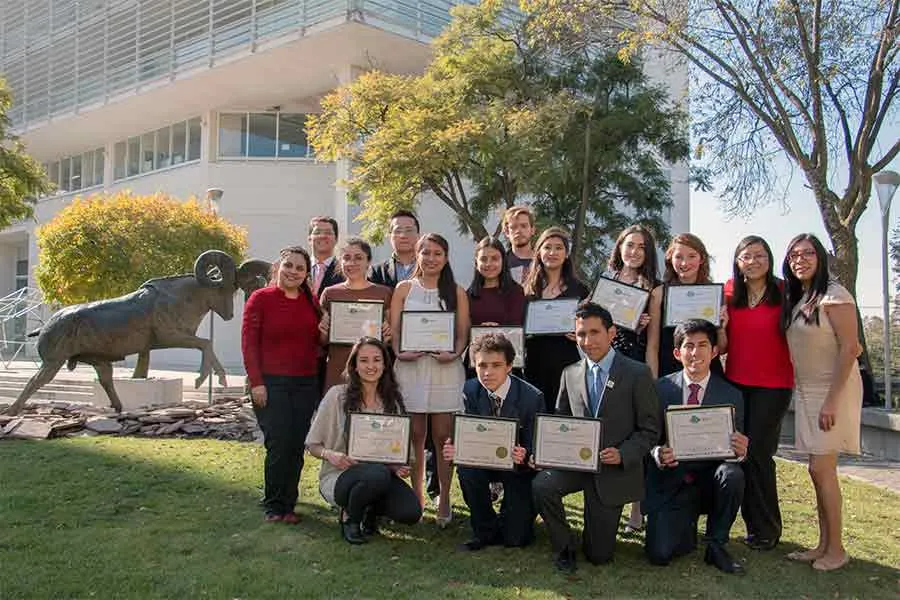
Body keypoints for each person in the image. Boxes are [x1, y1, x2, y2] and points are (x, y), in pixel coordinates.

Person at [532, 302, 659, 573]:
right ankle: (564, 545)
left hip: (612, 470)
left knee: (598, 555)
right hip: (577, 466)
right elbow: (561, 421)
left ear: (611, 333)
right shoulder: (570, 373)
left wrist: (623, 454)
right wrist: (545, 453)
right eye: (581, 334)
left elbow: (650, 430)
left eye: (594, 332)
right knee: (542, 484)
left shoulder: (637, 373)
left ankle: (593, 540)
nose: (587, 341)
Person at [782, 233, 862, 572]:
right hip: (808, 391)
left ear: (821, 258)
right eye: (794, 255)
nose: (800, 260)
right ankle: (823, 544)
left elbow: (851, 348)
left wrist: (831, 401)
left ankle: (837, 549)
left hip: (833, 391)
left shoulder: (835, 295)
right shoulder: (801, 297)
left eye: (808, 254)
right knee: (817, 471)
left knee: (821, 469)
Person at [644, 319, 749, 575]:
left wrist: (741, 451)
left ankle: (716, 544)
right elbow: (647, 438)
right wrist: (658, 453)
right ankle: (684, 528)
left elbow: (736, 447)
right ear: (677, 353)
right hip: (673, 480)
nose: (695, 352)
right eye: (688, 346)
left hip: (711, 481)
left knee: (733, 475)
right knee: (659, 555)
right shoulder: (659, 389)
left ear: (714, 351)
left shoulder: (731, 395)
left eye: (702, 345)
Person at [306, 338, 422, 544]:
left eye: (377, 360)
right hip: (341, 475)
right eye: (364, 360)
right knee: (377, 473)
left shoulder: (392, 402)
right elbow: (312, 445)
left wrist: (396, 466)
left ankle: (369, 513)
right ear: (354, 366)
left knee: (410, 511)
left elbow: (399, 452)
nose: (371, 366)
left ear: (385, 365)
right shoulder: (336, 396)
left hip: (380, 475)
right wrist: (331, 455)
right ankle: (350, 519)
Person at [390, 233, 469, 526]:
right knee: (415, 434)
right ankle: (417, 497)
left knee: (443, 436)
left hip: (445, 370)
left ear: (446, 258)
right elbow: (395, 331)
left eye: (438, 253)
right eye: (426, 252)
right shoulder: (403, 289)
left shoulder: (456, 292)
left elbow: (462, 334)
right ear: (417, 255)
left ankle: (444, 497)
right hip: (410, 370)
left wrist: (455, 353)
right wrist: (399, 352)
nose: (431, 258)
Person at [241, 246, 323, 524]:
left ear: (306, 274)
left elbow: (318, 342)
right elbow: (249, 344)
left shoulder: (311, 302)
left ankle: (289, 504)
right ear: (278, 267)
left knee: (296, 445)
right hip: (270, 383)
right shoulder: (260, 299)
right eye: (289, 265)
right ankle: (274, 505)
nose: (293, 272)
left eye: (300, 268)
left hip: (305, 383)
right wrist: (256, 383)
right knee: (278, 443)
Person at [723, 235, 794, 551]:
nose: (753, 261)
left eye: (759, 255)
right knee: (737, 453)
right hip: (736, 382)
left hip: (774, 385)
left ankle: (767, 529)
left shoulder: (785, 291)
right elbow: (720, 339)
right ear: (738, 262)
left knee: (759, 454)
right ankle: (748, 526)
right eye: (746, 256)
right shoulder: (729, 292)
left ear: (770, 258)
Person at [442, 333, 543, 550]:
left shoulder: (532, 397)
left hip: (518, 469)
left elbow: (535, 444)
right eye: (482, 365)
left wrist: (526, 454)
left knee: (516, 539)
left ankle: (512, 520)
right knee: (467, 470)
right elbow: (465, 434)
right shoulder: (469, 390)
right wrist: (454, 450)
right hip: (482, 462)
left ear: (509, 366)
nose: (488, 372)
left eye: (496, 365)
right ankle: (484, 529)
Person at [604, 224, 661, 534]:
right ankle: (607, 505)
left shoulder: (653, 289)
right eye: (630, 245)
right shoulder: (605, 282)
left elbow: (652, 343)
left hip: (636, 364)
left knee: (636, 437)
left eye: (641, 247)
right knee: (611, 433)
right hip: (606, 363)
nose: (635, 252)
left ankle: (637, 512)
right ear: (620, 247)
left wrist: (651, 379)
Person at [523, 227, 590, 413]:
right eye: (547, 247)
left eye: (559, 248)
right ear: (539, 252)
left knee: (565, 416)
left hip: (567, 363)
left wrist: (580, 335)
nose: (552, 253)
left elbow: (589, 326)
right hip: (535, 363)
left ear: (566, 254)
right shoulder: (527, 291)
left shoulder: (580, 290)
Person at [646, 233, 726, 378]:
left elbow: (722, 349)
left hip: (708, 375)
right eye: (678, 257)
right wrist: (653, 382)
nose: (684, 263)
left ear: (702, 259)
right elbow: (652, 346)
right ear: (670, 259)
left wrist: (721, 329)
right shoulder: (659, 294)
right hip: (669, 374)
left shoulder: (714, 294)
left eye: (691, 256)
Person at [318, 238, 393, 392]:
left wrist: (387, 336)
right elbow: (322, 342)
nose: (352, 263)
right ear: (340, 262)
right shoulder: (329, 293)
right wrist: (323, 333)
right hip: (338, 368)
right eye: (346, 258)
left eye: (358, 258)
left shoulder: (384, 293)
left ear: (368, 262)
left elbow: (389, 341)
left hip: (372, 371)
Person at [369, 210, 420, 288]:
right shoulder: (377, 271)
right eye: (398, 231)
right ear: (390, 236)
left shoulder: (431, 267)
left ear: (418, 235)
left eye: (409, 230)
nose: (403, 235)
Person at [308, 216, 344, 297]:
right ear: (309, 239)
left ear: (336, 239)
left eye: (328, 233)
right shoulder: (298, 268)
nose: (322, 236)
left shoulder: (344, 270)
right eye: (317, 232)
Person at [502, 205, 536, 285]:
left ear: (532, 230)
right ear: (507, 232)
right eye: (513, 227)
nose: (519, 231)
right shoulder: (501, 263)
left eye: (524, 226)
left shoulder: (543, 261)